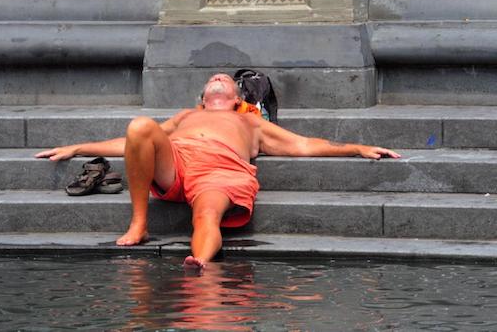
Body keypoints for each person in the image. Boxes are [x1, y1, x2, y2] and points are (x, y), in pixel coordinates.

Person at [36, 73, 400, 270]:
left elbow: (302, 144)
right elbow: (133, 144)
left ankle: (201, 262)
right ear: (202, 98)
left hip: (222, 173)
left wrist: (355, 148)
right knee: (139, 126)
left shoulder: (251, 123)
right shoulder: (186, 116)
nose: (219, 79)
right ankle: (139, 224)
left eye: (225, 79)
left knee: (207, 215)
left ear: (238, 98)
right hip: (178, 162)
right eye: (214, 79)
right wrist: (79, 147)